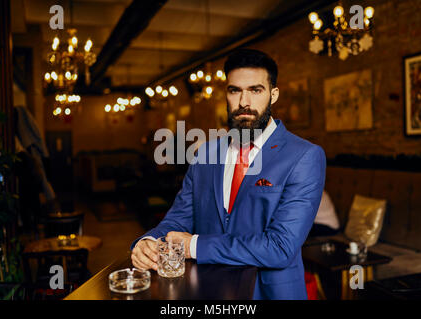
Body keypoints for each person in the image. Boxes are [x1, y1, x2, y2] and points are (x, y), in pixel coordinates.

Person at [130, 49, 326, 300]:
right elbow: (178, 219)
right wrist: (147, 241)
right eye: (235, 90)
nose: (244, 101)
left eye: (255, 90)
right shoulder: (205, 152)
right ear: (226, 94)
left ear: (273, 95)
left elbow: (281, 247)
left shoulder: (304, 156)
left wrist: (194, 246)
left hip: (270, 293)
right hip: (206, 291)